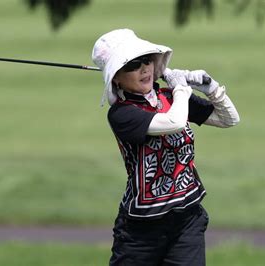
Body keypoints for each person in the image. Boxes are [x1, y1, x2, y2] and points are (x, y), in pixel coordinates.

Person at [92, 29, 240, 266]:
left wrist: (210, 87)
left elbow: (229, 119)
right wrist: (182, 88)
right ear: (116, 78)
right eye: (133, 64)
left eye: (147, 60)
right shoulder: (122, 113)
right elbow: (174, 122)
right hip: (141, 231)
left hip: (186, 221)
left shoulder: (171, 98)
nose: (145, 68)